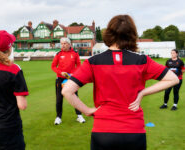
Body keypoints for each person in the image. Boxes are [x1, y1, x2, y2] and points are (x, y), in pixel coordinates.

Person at [62, 15, 179, 150]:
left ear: (109, 34)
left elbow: (67, 90)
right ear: (131, 35)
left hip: (103, 132)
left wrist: (87, 111)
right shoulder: (142, 60)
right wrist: (143, 93)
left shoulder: (93, 61)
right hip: (134, 132)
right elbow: (173, 78)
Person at [51, 37, 85, 125]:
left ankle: (79, 116)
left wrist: (74, 74)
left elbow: (79, 66)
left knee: (75, 97)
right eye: (61, 43)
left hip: (71, 79)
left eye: (65, 43)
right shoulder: (58, 54)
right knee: (59, 99)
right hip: (60, 79)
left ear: (69, 44)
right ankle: (58, 117)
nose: (63, 45)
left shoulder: (75, 53)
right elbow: (53, 66)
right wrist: (60, 72)